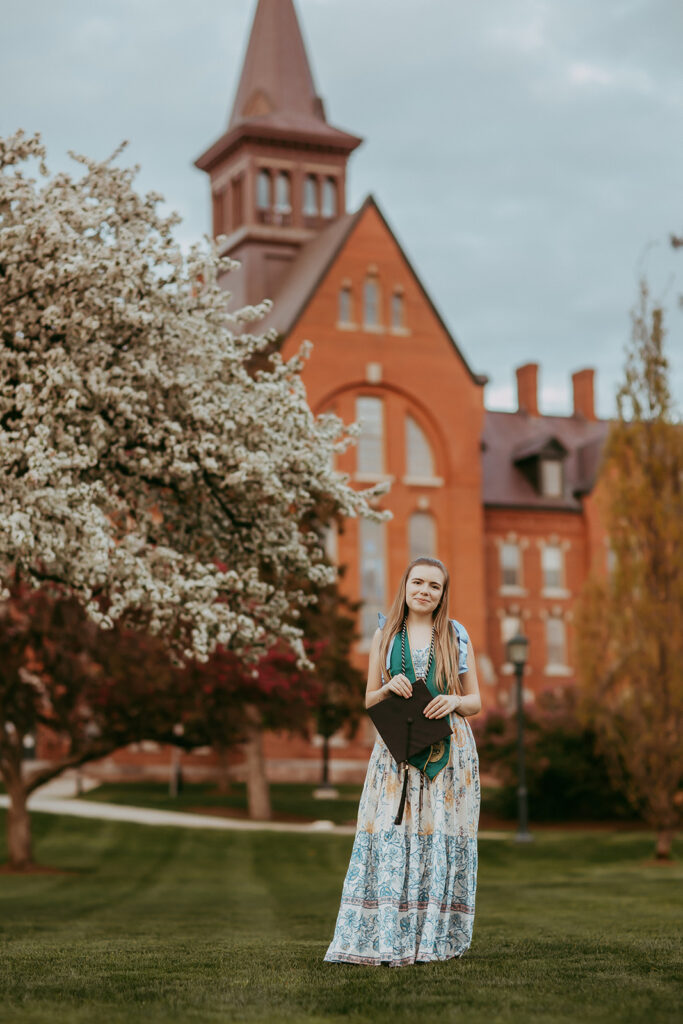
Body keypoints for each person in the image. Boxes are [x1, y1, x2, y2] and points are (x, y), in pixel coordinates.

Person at [323, 556, 482, 967]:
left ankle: (432, 938)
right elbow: (369, 699)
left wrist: (455, 700)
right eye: (418, 583)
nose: (425, 591)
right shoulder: (386, 634)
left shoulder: (456, 635)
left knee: (437, 837)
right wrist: (388, 686)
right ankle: (388, 936)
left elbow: (476, 701)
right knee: (392, 835)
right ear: (405, 586)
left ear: (443, 593)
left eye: (434, 585)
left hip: (449, 751)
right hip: (396, 752)